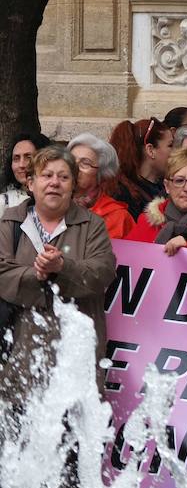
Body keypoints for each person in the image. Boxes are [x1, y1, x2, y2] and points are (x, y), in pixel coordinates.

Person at [0, 145, 117, 401]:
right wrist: (38, 273)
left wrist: (64, 267)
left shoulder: (92, 225)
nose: (55, 183)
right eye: (47, 175)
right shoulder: (11, 221)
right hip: (20, 351)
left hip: (75, 357)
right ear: (30, 183)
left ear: (73, 185)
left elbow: (104, 270)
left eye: (63, 177)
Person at [67, 133, 135, 239]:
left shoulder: (117, 217)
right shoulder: (52, 207)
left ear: (102, 173)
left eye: (85, 163)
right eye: (70, 161)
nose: (74, 168)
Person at [109, 117, 174, 219]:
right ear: (151, 150)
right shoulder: (124, 195)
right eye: (171, 145)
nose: (176, 152)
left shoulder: (166, 186)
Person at [1, 132, 51, 217]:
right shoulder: (3, 203)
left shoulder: (58, 198)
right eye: (16, 158)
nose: (21, 165)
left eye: (28, 157)